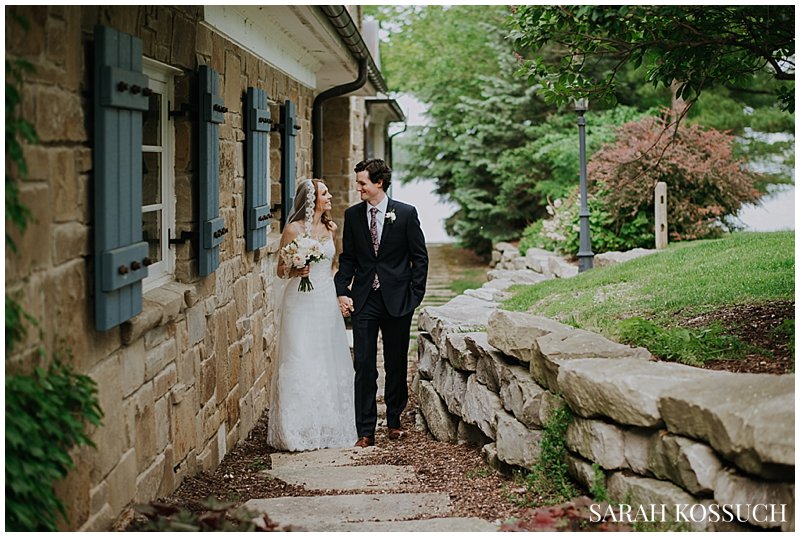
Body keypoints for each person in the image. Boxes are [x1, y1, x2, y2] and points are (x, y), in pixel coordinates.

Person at [334, 158, 428, 448]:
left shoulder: (406, 213)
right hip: (364, 299)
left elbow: (420, 258)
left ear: (379, 183)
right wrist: (342, 289)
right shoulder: (352, 216)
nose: (358, 188)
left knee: (396, 362)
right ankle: (365, 430)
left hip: (399, 300)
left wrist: (414, 295)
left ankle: (395, 420)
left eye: (362, 182)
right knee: (363, 364)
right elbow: (347, 258)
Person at [267, 179, 357, 451]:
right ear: (311, 199)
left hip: (324, 299)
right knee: (300, 355)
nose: (329, 196)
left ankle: (327, 422)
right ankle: (296, 428)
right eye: (324, 193)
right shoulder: (293, 229)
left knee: (326, 357)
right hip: (300, 301)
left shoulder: (331, 228)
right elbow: (280, 271)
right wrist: (297, 270)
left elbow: (334, 266)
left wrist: (339, 294)